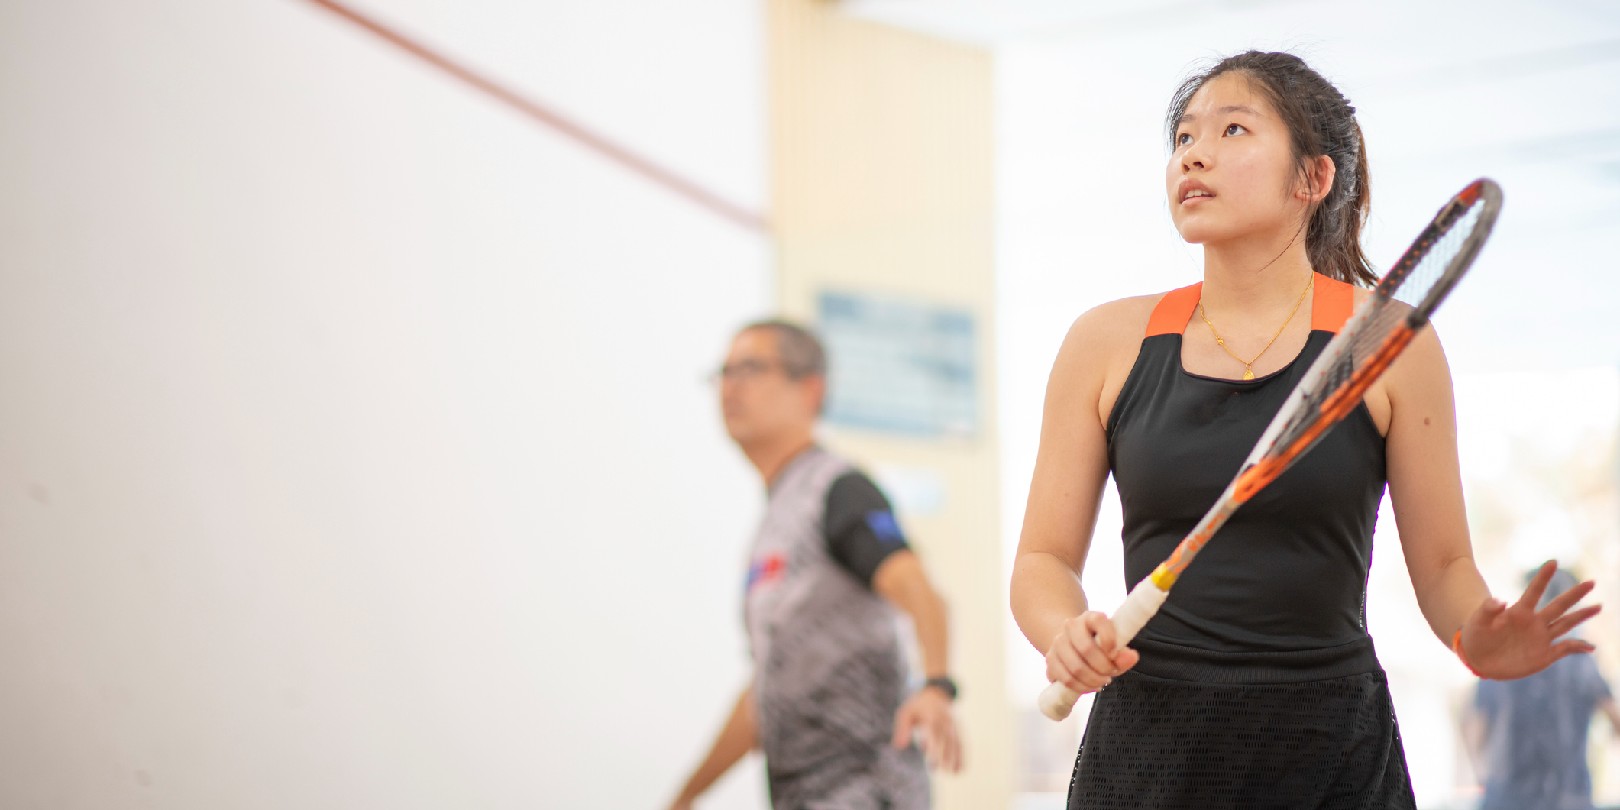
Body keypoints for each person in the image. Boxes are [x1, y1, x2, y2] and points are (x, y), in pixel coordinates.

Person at [1007, 50, 1603, 810]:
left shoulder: (1392, 344)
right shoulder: (1103, 343)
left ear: (1312, 180)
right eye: (1184, 137)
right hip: (1148, 746)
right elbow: (1042, 558)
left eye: (1232, 130)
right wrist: (1064, 630)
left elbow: (1446, 566)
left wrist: (1474, 637)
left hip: (1332, 749)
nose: (1194, 153)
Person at [667, 319, 963, 810]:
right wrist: (686, 797)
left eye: (750, 368)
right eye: (723, 372)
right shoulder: (772, 526)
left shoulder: (838, 490)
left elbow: (921, 591)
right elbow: (767, 691)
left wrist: (936, 686)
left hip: (869, 792)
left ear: (810, 388)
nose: (729, 385)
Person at [1464, 567, 1620, 810]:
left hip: (1507, 799)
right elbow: (1615, 721)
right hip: (1569, 798)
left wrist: (1485, 778)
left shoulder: (1503, 657)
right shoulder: (1581, 660)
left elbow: (1475, 728)